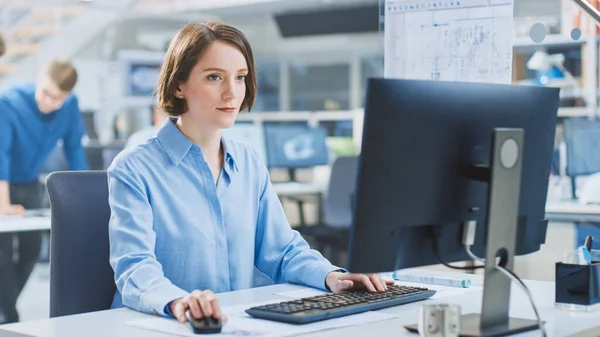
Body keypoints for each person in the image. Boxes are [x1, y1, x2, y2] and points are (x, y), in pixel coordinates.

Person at [107, 22, 393, 326]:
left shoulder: (248, 162)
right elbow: (135, 268)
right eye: (214, 77)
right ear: (179, 85)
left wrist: (334, 277)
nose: (232, 92)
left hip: (231, 325)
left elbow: (282, 250)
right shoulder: (134, 169)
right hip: (161, 326)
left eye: (240, 77)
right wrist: (177, 301)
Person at [0, 59, 88, 323]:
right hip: (1, 184)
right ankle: (10, 316)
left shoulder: (71, 107)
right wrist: (2, 205)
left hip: (28, 183)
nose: (49, 102)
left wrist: (84, 201)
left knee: (32, 247)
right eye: (45, 93)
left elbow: (74, 151)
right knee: (2, 250)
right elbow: (0, 155)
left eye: (57, 98)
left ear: (68, 95)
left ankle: (5, 308)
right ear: (38, 79)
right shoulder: (8, 101)